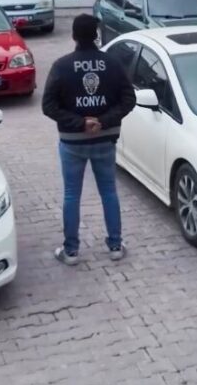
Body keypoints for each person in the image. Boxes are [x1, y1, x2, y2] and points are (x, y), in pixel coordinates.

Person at [42, 14, 137, 265]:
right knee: (109, 192)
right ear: (96, 35)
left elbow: (48, 106)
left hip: (72, 142)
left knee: (72, 195)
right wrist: (103, 121)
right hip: (105, 140)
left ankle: (71, 252)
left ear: (73, 36)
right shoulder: (113, 64)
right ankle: (115, 246)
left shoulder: (62, 66)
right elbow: (129, 100)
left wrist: (80, 123)